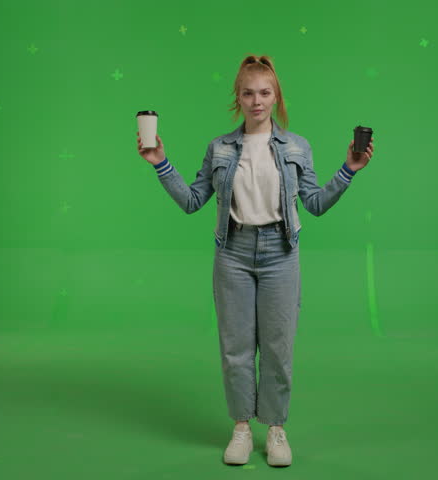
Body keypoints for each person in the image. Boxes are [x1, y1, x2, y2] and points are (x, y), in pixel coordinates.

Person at [135, 55, 374, 467]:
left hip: (282, 253)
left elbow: (314, 204)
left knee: (278, 348)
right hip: (234, 253)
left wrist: (348, 170)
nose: (257, 101)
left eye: (265, 93)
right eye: (248, 93)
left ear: (275, 96)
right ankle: (242, 428)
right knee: (236, 349)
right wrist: (160, 162)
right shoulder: (221, 148)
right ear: (238, 99)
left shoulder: (297, 146)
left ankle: (276, 429)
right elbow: (193, 201)